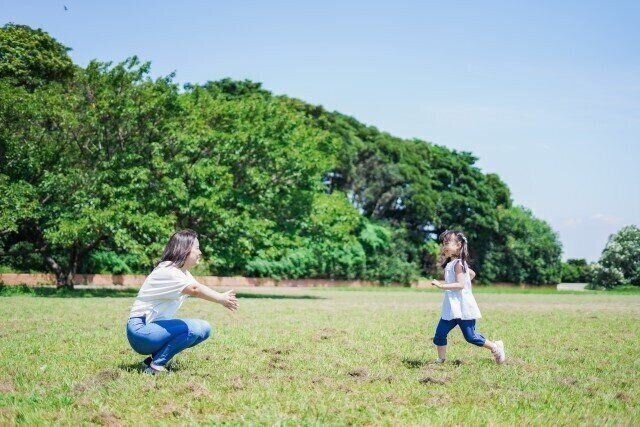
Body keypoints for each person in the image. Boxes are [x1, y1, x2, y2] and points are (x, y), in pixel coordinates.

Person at [126, 229, 238, 374]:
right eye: (197, 248)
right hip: (141, 331)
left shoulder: (182, 272)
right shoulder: (168, 270)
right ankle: (155, 367)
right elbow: (195, 289)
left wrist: (220, 297)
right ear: (185, 249)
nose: (200, 252)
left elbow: (198, 287)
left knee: (204, 328)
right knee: (192, 329)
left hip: (153, 330)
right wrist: (221, 298)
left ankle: (150, 362)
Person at [430, 230, 505, 364]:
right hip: (451, 307)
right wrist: (465, 279)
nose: (444, 246)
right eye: (443, 244)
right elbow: (472, 274)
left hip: (463, 307)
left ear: (458, 245)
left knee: (470, 337)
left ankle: (495, 346)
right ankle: (441, 359)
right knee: (440, 333)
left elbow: (460, 284)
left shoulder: (459, 264)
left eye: (447, 243)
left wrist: (441, 285)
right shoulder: (453, 263)